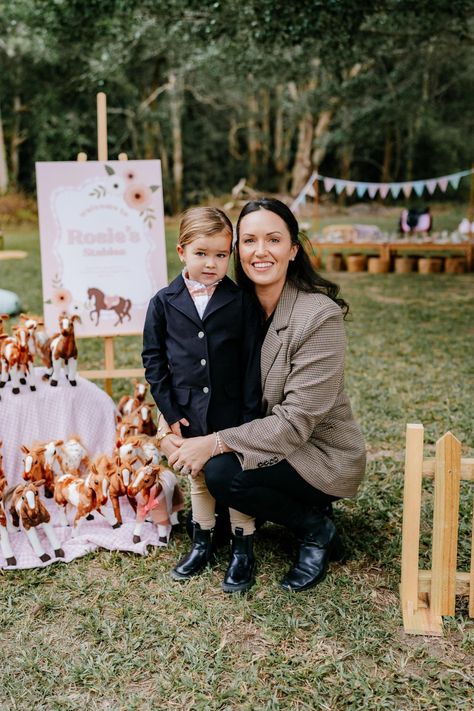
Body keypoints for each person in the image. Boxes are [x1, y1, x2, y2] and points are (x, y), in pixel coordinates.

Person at [164, 198, 366, 592]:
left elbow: (295, 423)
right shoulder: (229, 307)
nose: (260, 251)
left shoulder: (317, 316)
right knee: (209, 461)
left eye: (273, 240)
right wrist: (171, 421)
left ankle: (315, 527)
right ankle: (232, 517)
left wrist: (213, 442)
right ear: (237, 249)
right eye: (249, 240)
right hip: (257, 432)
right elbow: (191, 373)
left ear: (293, 249)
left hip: (316, 451)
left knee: (224, 473)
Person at [142, 207, 262, 592]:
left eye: (221, 255)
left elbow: (250, 362)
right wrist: (171, 412)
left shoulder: (241, 301)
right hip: (188, 408)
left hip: (232, 408)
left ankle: (243, 547)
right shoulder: (163, 301)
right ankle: (202, 541)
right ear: (182, 251)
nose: (211, 263)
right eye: (201, 253)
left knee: (236, 472)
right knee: (198, 477)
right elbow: (154, 360)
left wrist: (247, 414)